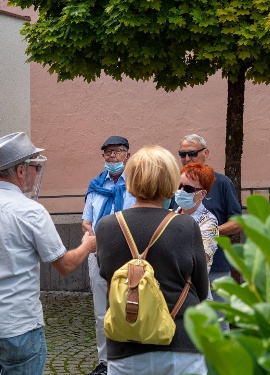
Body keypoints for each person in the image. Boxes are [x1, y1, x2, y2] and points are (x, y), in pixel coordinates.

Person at [0, 132, 96, 375]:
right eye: (35, 168)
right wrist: (86, 246)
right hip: (17, 324)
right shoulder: (31, 211)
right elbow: (64, 266)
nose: (37, 173)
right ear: (20, 171)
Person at [97, 145, 208, 375]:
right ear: (170, 181)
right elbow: (201, 287)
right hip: (180, 344)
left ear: (131, 180)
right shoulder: (186, 226)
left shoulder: (106, 227)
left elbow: (106, 277)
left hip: (126, 344)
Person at [172, 134, 242, 329]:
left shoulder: (222, 183)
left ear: (206, 153)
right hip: (179, 272)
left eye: (192, 153)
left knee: (219, 324)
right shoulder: (177, 183)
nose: (187, 158)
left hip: (216, 267)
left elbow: (238, 222)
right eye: (182, 154)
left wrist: (205, 232)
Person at [82, 136, 136, 375]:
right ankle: (105, 362)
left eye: (118, 152)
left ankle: (129, 357)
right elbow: (86, 220)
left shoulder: (136, 184)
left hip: (129, 255)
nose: (112, 157)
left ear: (128, 155)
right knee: (101, 312)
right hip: (99, 254)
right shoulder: (95, 186)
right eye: (108, 153)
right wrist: (93, 235)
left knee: (129, 306)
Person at [175, 162, 218, 300]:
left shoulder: (209, 222)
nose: (181, 191)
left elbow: (199, 262)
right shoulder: (169, 215)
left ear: (202, 194)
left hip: (195, 296)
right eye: (179, 186)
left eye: (188, 188)